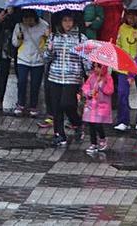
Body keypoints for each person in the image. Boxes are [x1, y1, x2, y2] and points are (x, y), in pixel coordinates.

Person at [44, 12, 87, 147]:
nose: (68, 23)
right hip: (55, 76)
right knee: (56, 107)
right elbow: (46, 58)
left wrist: (89, 73)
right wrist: (50, 50)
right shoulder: (53, 37)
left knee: (67, 103)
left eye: (70, 20)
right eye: (65, 20)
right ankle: (59, 134)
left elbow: (85, 59)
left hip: (72, 77)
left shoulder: (81, 38)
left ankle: (77, 122)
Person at [113, 9, 137, 132]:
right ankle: (123, 120)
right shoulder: (122, 28)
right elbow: (118, 44)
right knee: (122, 93)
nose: (130, 19)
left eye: (133, 16)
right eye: (128, 16)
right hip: (124, 67)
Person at [11, 11, 47, 117]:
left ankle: (33, 105)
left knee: (35, 84)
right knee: (21, 82)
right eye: (25, 19)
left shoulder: (44, 25)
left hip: (38, 60)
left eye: (30, 19)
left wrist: (46, 37)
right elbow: (15, 43)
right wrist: (19, 37)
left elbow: (48, 44)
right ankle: (20, 103)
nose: (27, 22)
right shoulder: (19, 26)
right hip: (23, 58)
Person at [81, 64, 114, 154]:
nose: (96, 69)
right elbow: (86, 86)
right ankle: (93, 143)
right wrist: (88, 92)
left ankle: (102, 139)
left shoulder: (108, 78)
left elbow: (110, 90)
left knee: (98, 124)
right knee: (91, 124)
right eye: (94, 67)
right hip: (91, 105)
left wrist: (101, 84)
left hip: (101, 106)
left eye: (98, 67)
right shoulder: (92, 76)